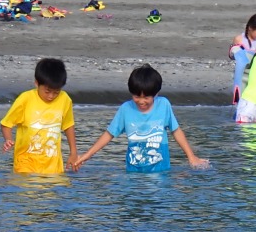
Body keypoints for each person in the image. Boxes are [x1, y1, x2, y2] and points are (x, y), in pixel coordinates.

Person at [73, 65, 209, 172]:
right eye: (137, 96)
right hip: (133, 173)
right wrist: (87, 155)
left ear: (156, 94)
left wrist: (191, 157)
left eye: (146, 97)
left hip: (161, 172)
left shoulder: (164, 105)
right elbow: (109, 134)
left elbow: (176, 131)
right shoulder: (126, 109)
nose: (141, 101)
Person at [0, 58, 77, 175]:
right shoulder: (25, 99)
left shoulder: (64, 99)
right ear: (37, 83)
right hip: (25, 164)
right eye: (47, 91)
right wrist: (8, 139)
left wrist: (73, 152)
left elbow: (68, 125)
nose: (51, 96)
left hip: (53, 165)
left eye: (56, 92)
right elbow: (6, 124)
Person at [228, 12, 256, 105]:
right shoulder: (239, 39)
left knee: (255, 102)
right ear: (250, 28)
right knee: (241, 101)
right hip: (242, 75)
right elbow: (233, 56)